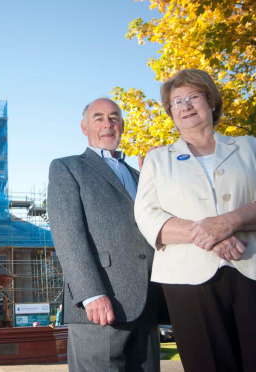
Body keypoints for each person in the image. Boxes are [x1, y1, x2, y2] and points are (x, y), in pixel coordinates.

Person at [134, 68, 256, 372]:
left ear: (211, 101)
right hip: (188, 282)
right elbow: (148, 217)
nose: (185, 105)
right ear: (170, 112)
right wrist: (209, 232)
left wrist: (231, 221)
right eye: (176, 101)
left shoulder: (253, 147)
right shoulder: (157, 160)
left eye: (193, 97)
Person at [48, 98, 160, 372]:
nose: (107, 123)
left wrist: (158, 181)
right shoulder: (67, 167)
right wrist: (90, 294)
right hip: (100, 304)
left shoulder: (141, 174)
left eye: (114, 117)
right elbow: (68, 236)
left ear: (121, 126)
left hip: (148, 303)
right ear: (84, 127)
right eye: (98, 118)